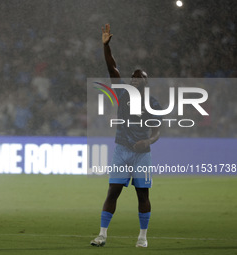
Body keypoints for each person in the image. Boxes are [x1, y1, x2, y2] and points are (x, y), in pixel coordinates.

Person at [90, 24, 161, 248]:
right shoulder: (122, 93)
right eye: (132, 77)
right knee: (113, 192)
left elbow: (158, 130)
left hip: (142, 154)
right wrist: (106, 47)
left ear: (145, 82)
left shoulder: (152, 103)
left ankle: (142, 237)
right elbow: (113, 69)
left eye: (138, 78)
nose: (133, 80)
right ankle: (102, 235)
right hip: (122, 150)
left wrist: (148, 141)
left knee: (143, 196)